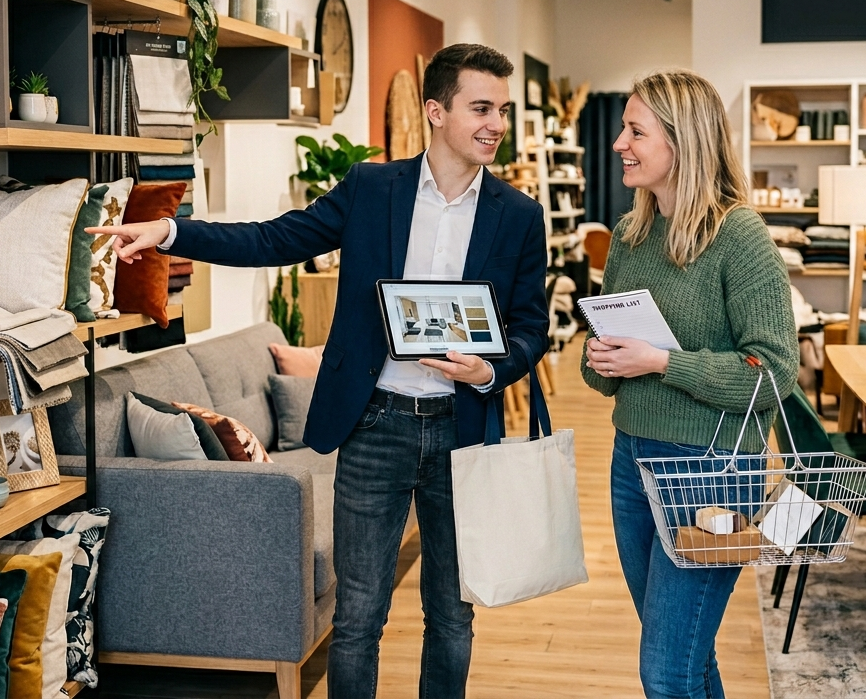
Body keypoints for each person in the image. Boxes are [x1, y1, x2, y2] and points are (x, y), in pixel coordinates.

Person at [89, 43, 549, 699]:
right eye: (482, 108)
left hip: (463, 431)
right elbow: (273, 238)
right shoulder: (371, 189)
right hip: (375, 423)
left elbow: (533, 328)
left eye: (503, 110)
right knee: (359, 617)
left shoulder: (519, 216)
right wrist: (171, 234)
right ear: (436, 111)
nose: (496, 124)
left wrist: (487, 370)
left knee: (452, 614)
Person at [581, 70, 798, 699]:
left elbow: (775, 371)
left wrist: (662, 362)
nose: (620, 142)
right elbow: (607, 372)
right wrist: (601, 357)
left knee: (665, 670)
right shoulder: (630, 235)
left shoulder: (741, 237)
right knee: (684, 653)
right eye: (624, 128)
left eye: (636, 130)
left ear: (684, 142)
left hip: (715, 471)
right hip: (632, 461)